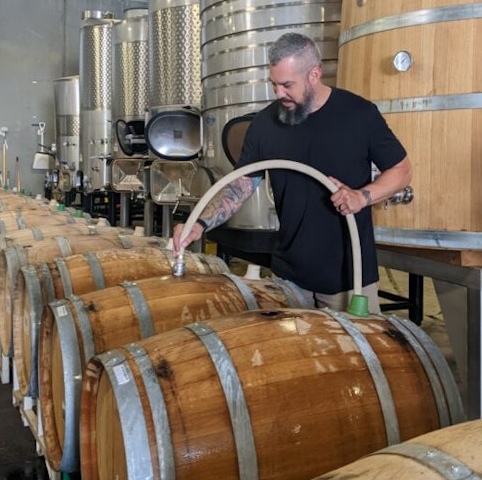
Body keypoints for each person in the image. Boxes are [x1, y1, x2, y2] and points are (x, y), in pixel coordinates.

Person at [173, 32, 412, 313]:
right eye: (273, 84)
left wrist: (362, 196)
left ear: (314, 74)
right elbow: (242, 185)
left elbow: (402, 170)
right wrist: (199, 224)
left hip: (349, 279)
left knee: (353, 356)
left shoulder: (359, 115)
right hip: (289, 278)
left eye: (287, 85)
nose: (278, 94)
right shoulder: (265, 124)